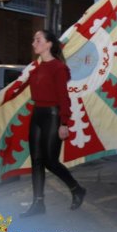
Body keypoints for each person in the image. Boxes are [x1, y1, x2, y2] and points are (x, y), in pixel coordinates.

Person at [20, 30, 86, 217]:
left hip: (53, 115)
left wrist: (64, 122)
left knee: (50, 160)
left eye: (38, 40)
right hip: (37, 114)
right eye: (34, 40)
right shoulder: (35, 69)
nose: (34, 43)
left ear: (49, 44)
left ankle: (76, 189)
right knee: (36, 161)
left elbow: (63, 98)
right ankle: (38, 203)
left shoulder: (58, 68)